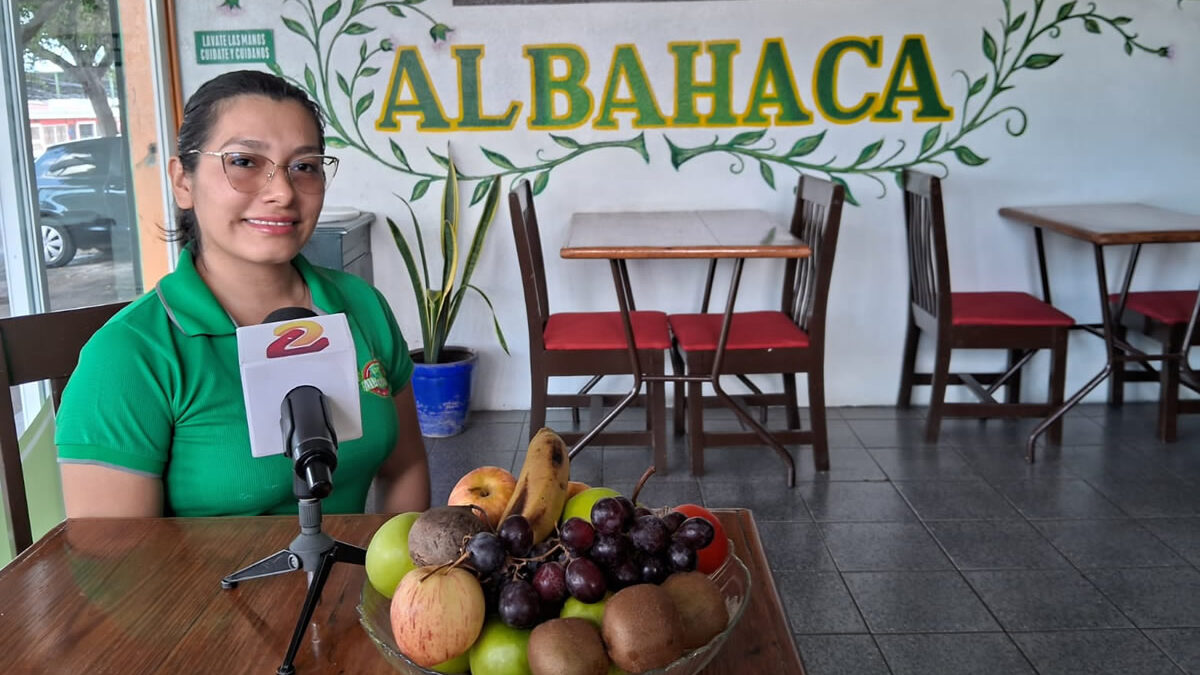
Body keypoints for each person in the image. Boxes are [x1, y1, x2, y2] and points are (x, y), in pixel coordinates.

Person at [55, 70, 430, 517]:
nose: (282, 192)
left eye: (304, 166)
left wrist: (399, 579)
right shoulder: (129, 356)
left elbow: (404, 467)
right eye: (245, 162)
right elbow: (116, 569)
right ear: (183, 181)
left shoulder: (361, 306)